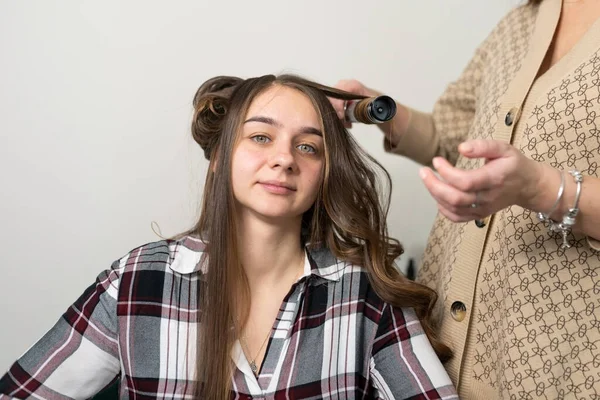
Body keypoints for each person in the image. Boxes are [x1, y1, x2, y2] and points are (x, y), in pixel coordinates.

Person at [0, 74, 458, 399]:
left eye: (308, 146)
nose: (284, 159)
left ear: (324, 173)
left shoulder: (365, 296)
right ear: (219, 155)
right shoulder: (136, 282)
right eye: (261, 137)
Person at [330, 0, 600, 399]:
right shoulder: (520, 21)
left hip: (558, 364)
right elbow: (455, 136)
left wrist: (542, 189)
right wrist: (380, 109)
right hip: (439, 358)